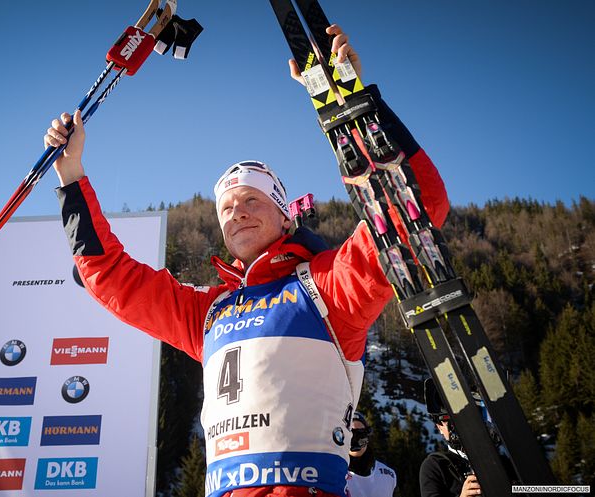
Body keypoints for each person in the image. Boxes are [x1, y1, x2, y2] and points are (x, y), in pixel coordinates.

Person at [47, 25, 449, 497]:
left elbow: (415, 208)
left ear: (284, 216)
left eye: (251, 201)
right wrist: (71, 176)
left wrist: (352, 106)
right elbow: (113, 279)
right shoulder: (210, 311)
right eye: (226, 209)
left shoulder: (328, 287)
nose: (235, 212)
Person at [419, 379, 482, 497]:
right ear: (439, 427)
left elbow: (524, 489)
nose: (458, 427)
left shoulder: (501, 462)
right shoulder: (436, 466)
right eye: (449, 421)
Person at [345, 412, 397, 497]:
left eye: (360, 433)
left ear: (367, 434)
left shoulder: (389, 475)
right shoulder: (334, 473)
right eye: (351, 433)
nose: (355, 439)